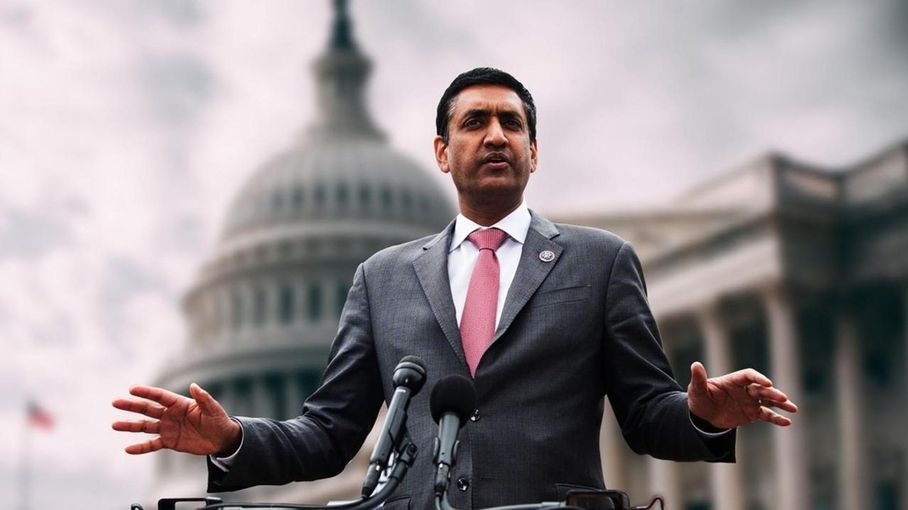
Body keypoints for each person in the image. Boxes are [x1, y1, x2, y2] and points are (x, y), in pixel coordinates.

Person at [113, 68, 797, 510]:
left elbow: (646, 414)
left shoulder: (601, 262)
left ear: (533, 152)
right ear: (442, 153)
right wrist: (233, 438)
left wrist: (702, 415)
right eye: (474, 123)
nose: (496, 136)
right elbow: (329, 434)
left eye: (512, 123)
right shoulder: (382, 277)